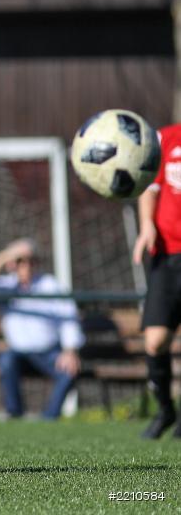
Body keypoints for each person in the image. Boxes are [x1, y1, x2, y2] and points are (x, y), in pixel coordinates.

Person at [0, 239, 83, 420]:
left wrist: (70, 351)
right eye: (20, 260)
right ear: (12, 263)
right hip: (18, 354)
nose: (26, 266)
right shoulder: (5, 285)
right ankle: (15, 414)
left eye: (30, 260)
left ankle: (49, 418)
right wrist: (5, 255)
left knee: (69, 370)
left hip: (48, 353)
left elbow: (69, 318)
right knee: (6, 361)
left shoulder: (50, 285)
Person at [133, 122, 181, 439]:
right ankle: (165, 410)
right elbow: (149, 188)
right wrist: (147, 226)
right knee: (155, 339)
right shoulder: (166, 137)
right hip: (167, 254)